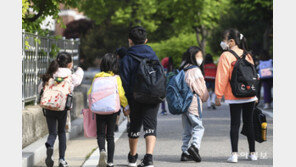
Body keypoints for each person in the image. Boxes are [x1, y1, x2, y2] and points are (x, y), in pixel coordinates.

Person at [215, 29, 258, 163]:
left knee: (235, 124)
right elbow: (254, 76)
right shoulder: (248, 54)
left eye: (224, 40)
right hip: (250, 94)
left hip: (234, 95)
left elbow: (221, 77)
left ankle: (234, 155)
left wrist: (218, 95)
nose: (223, 43)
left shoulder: (225, 55)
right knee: (249, 123)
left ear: (231, 41)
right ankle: (253, 153)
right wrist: (255, 94)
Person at [120, 26, 160, 167]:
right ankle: (149, 158)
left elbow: (123, 81)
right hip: (153, 96)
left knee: (134, 126)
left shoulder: (127, 58)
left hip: (134, 97)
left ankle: (132, 158)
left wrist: (125, 103)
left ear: (130, 41)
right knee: (151, 126)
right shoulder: (153, 55)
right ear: (146, 40)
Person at [39, 52, 84, 167]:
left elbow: (40, 89)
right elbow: (78, 80)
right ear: (69, 64)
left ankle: (49, 145)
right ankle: (62, 160)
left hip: (49, 107)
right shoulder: (70, 76)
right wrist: (80, 70)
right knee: (62, 132)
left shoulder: (50, 74)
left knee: (52, 133)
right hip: (63, 108)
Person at [88, 53, 130, 167]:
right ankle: (110, 162)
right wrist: (126, 107)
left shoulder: (97, 77)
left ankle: (102, 150)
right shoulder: (116, 78)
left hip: (99, 109)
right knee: (110, 136)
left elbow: (89, 93)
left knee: (100, 134)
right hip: (112, 110)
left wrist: (92, 106)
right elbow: (121, 94)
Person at [178, 46, 209, 162]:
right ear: (193, 57)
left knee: (187, 130)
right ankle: (194, 147)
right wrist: (205, 97)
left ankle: (185, 152)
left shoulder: (183, 68)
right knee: (198, 127)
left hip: (183, 104)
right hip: (193, 103)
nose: (201, 58)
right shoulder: (195, 70)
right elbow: (201, 89)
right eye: (198, 56)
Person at [115, 47, 129, 132]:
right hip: (127, 87)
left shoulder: (116, 64)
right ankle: (129, 122)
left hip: (117, 87)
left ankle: (115, 124)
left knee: (117, 107)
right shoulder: (128, 62)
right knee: (127, 105)